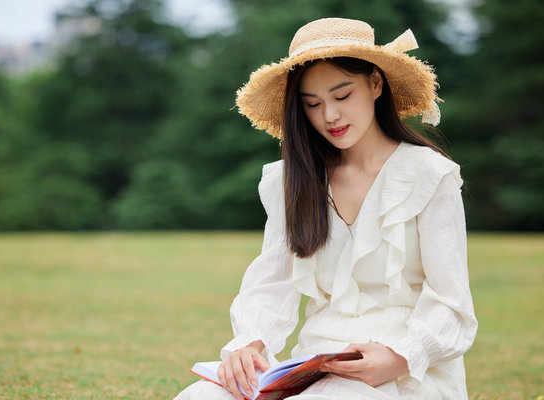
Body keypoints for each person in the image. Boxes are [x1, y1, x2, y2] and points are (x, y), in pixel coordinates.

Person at [174, 17, 477, 400]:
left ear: (375, 84)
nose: (329, 116)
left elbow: (453, 303)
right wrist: (249, 346)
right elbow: (272, 282)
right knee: (200, 397)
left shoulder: (430, 175)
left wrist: (402, 356)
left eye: (342, 96)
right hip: (315, 366)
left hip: (406, 372)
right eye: (313, 104)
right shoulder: (294, 180)